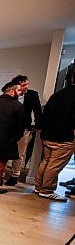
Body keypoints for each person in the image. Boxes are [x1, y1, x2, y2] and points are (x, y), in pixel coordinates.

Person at [34, 65, 75, 202]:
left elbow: (45, 115)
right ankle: (47, 190)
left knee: (45, 162)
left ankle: (39, 187)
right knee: (54, 165)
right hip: (64, 138)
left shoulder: (56, 95)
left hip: (48, 135)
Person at [5, 75, 42, 186]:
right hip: (8, 127)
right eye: (23, 84)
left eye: (27, 83)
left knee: (20, 152)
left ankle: (14, 175)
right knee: (4, 150)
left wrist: (38, 125)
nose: (26, 86)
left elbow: (37, 110)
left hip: (24, 128)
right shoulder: (10, 94)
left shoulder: (32, 94)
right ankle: (0, 173)